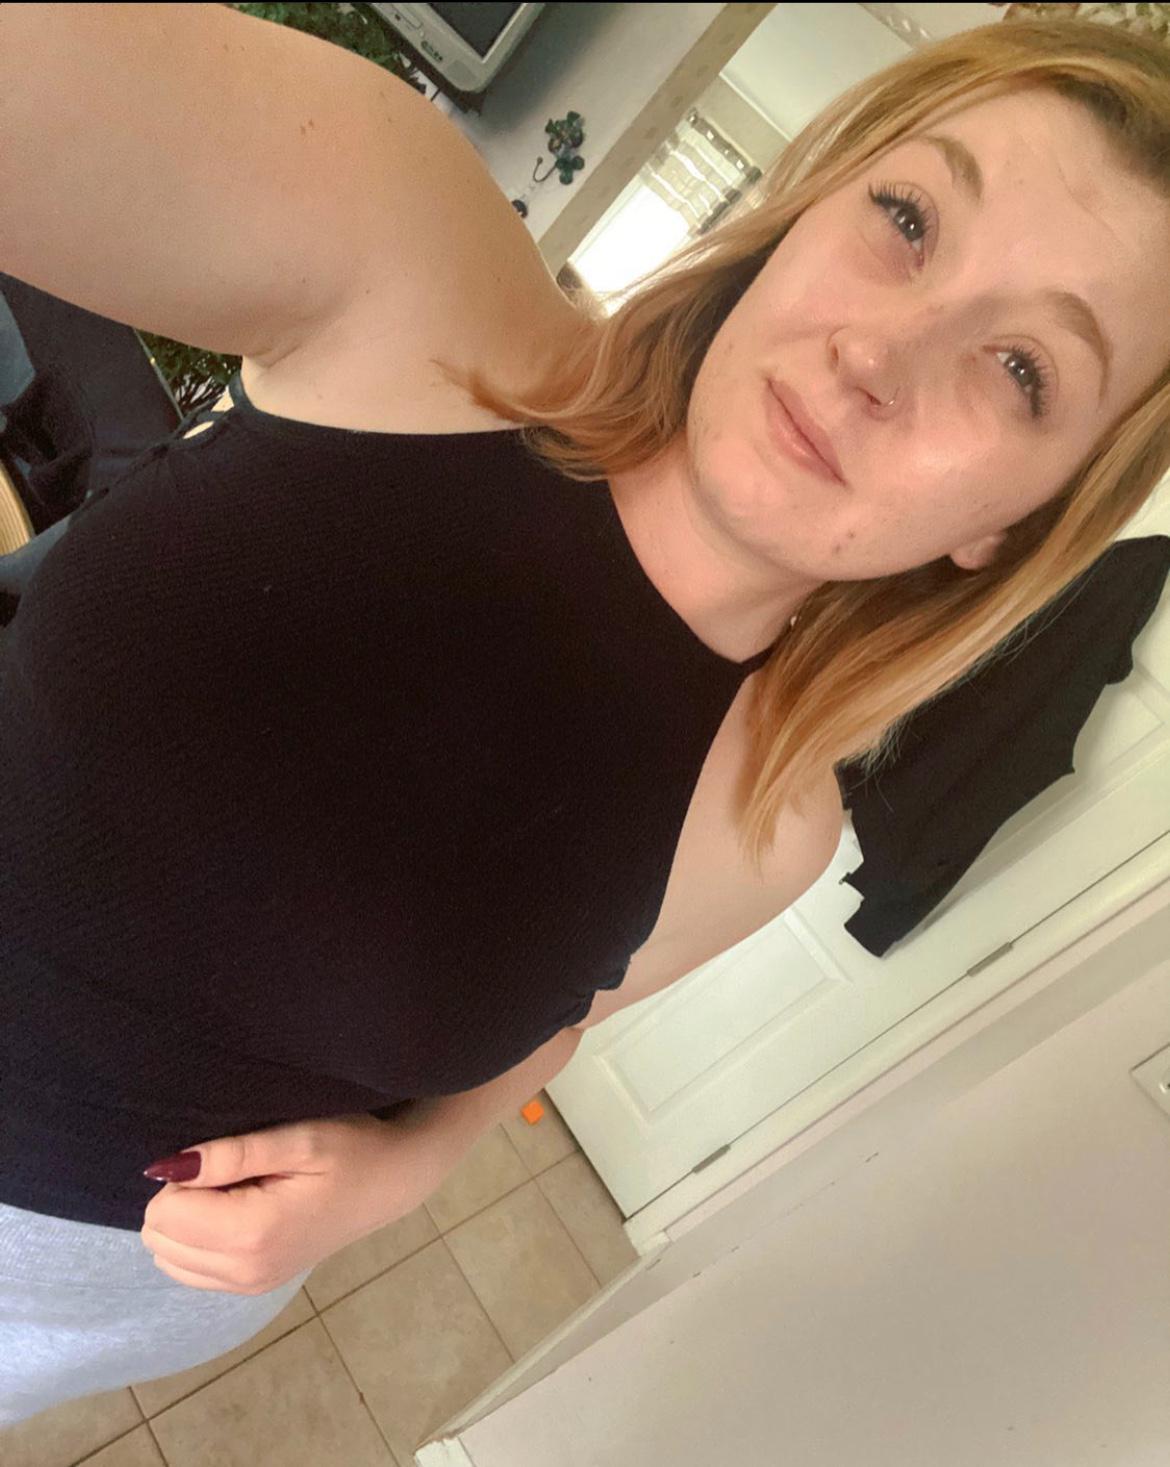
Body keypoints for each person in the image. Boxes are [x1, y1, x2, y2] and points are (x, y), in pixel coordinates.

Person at [3, 5, 1170, 1429]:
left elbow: (548, 1031)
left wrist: (404, 1173)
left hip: (85, 1292)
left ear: (1019, 525)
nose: (882, 353)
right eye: (909, 219)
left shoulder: (768, 826)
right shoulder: (418, 284)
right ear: (809, 207)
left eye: (1023, 368)